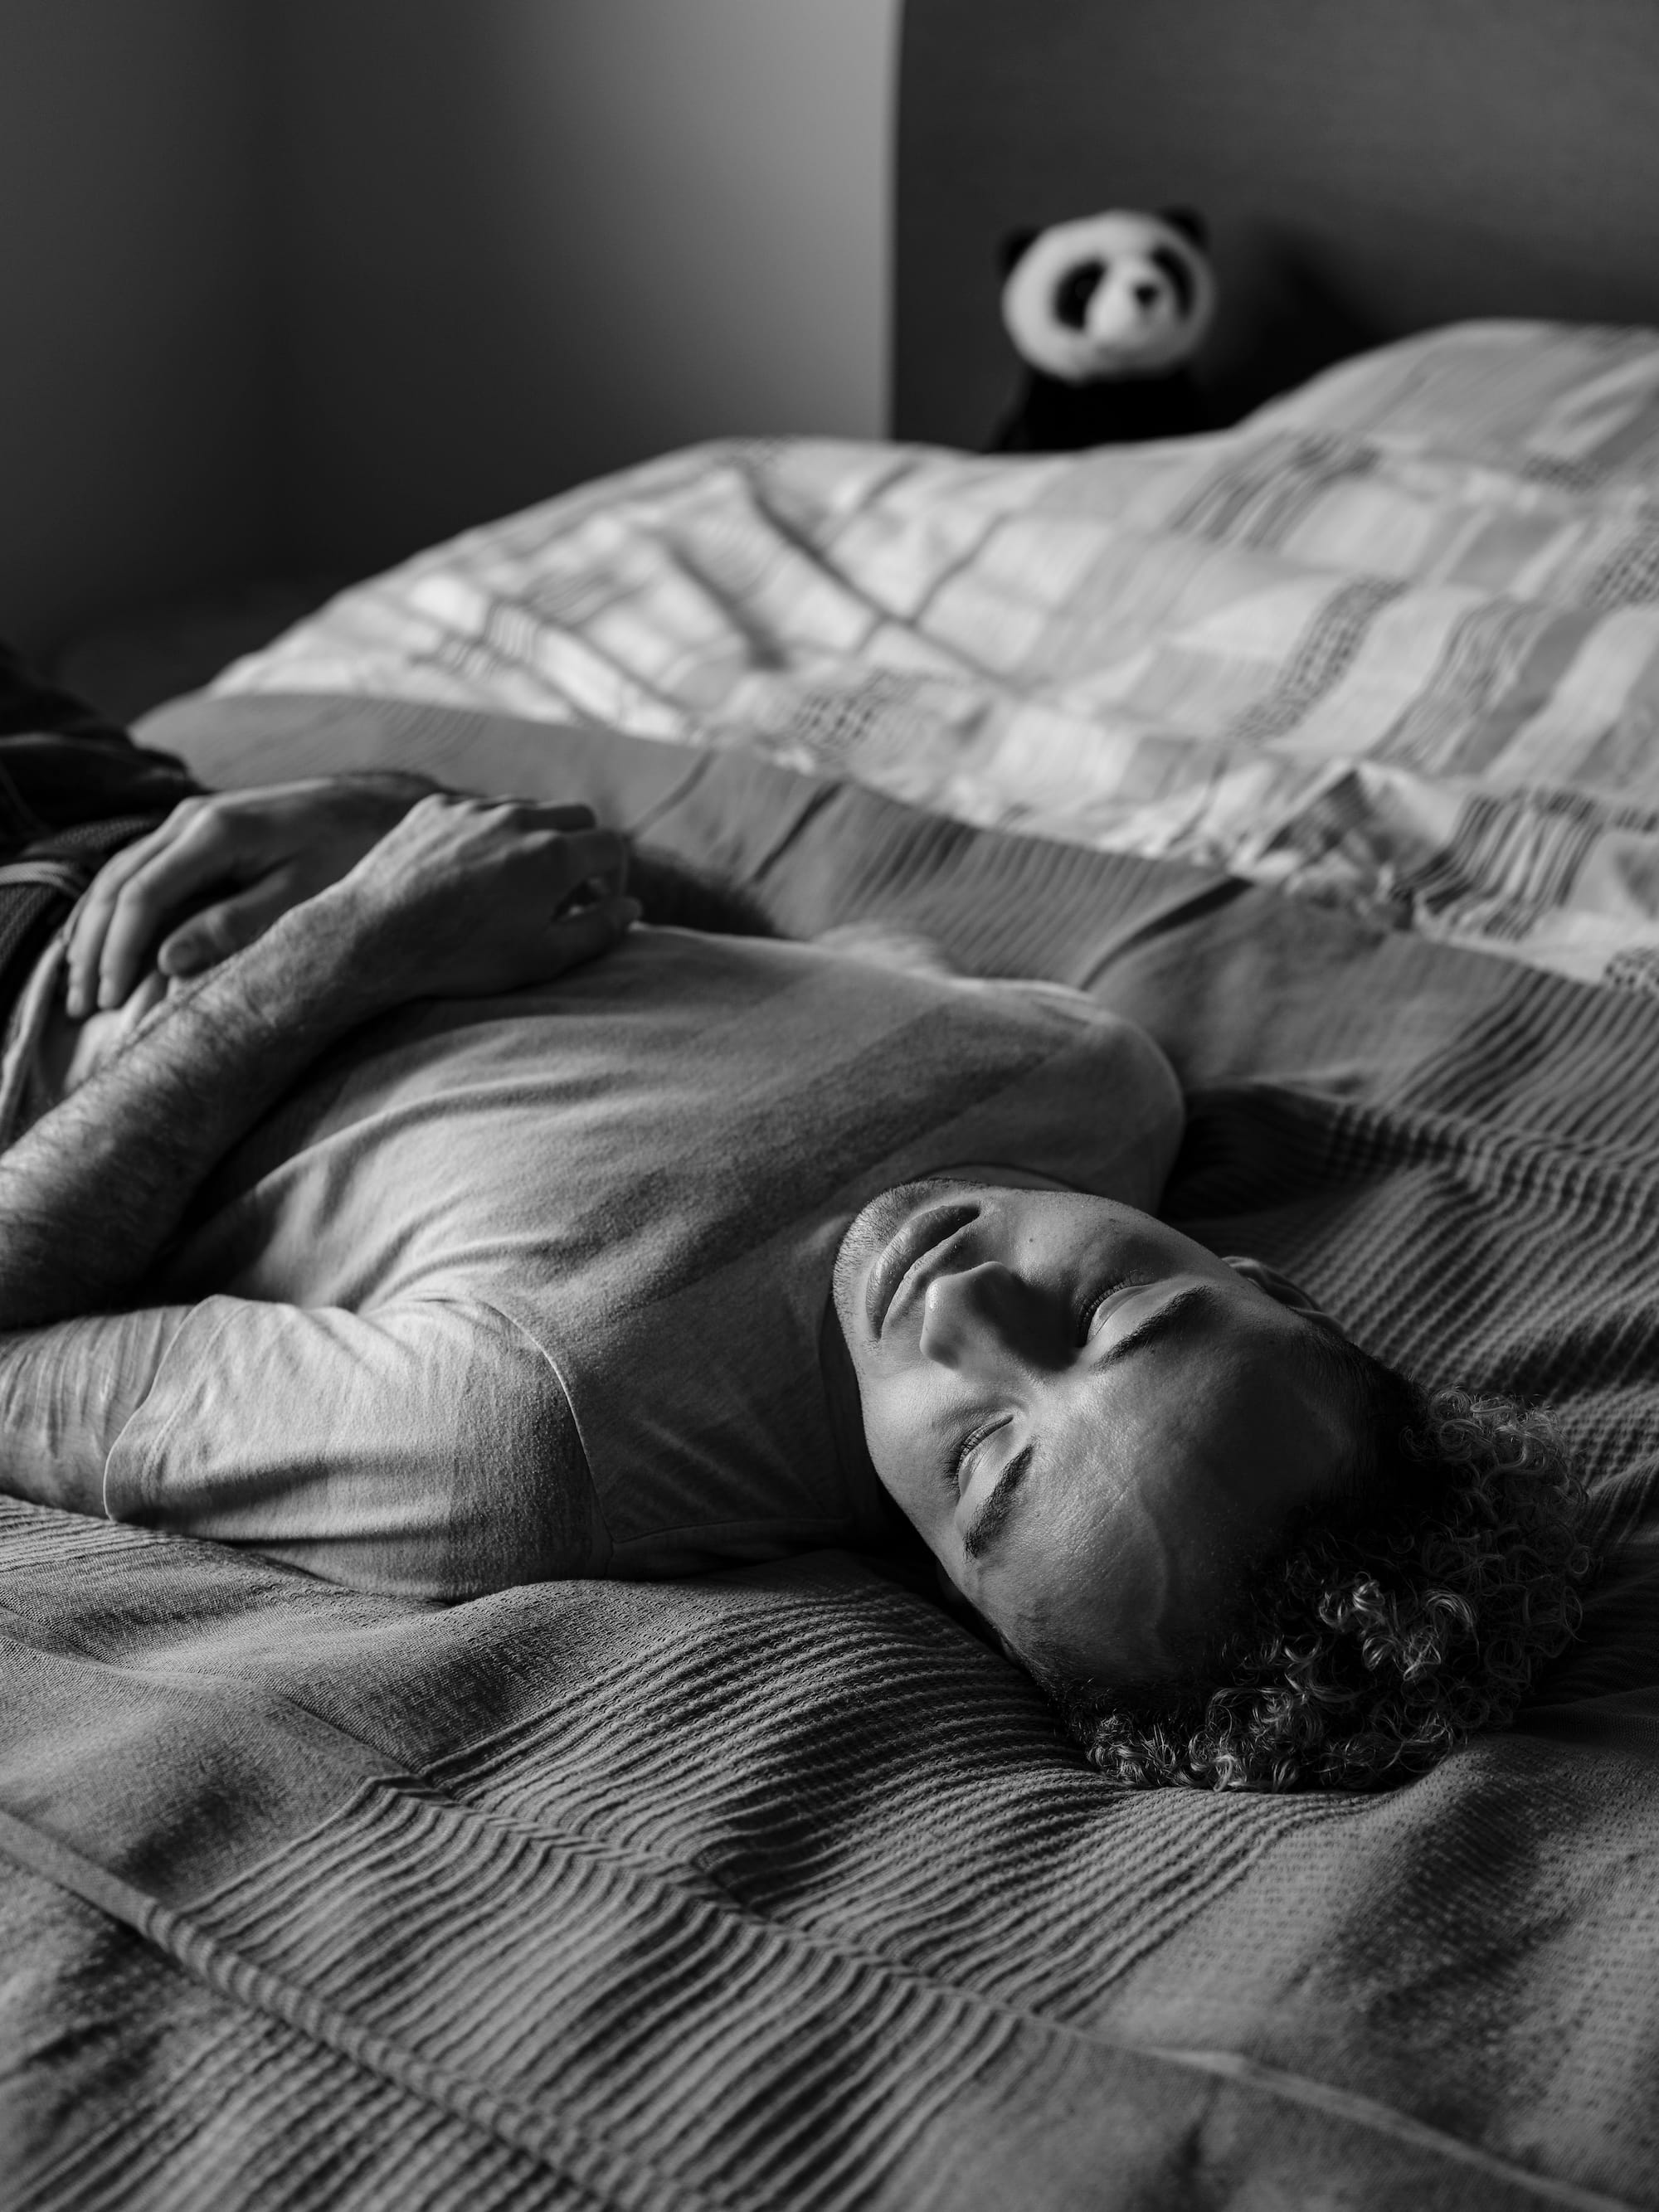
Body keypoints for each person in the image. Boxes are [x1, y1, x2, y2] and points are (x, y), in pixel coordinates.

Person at [0, 769, 1591, 1794]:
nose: (961, 1310)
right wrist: (411, 819)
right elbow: (722, 948)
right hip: (165, 796)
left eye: (981, 1463)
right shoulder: (1094, 1078)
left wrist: (353, 943)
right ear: (1267, 1286)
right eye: (1111, 1316)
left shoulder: (536, 1437)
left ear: (961, 1602)